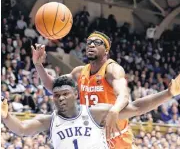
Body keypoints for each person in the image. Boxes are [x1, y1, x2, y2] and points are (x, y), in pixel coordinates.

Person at [31, 31, 176, 148]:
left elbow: (124, 96)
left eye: (97, 42)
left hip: (116, 139)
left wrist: (115, 110)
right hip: (91, 139)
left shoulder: (112, 69)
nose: (91, 45)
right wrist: (38, 65)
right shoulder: (79, 72)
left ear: (106, 49)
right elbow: (54, 86)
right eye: (89, 42)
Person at [2, 75, 180, 149]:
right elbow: (22, 129)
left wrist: (167, 93)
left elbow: (136, 108)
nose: (61, 98)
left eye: (65, 94)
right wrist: (6, 116)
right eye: (57, 95)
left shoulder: (95, 113)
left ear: (75, 94)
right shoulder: (49, 121)